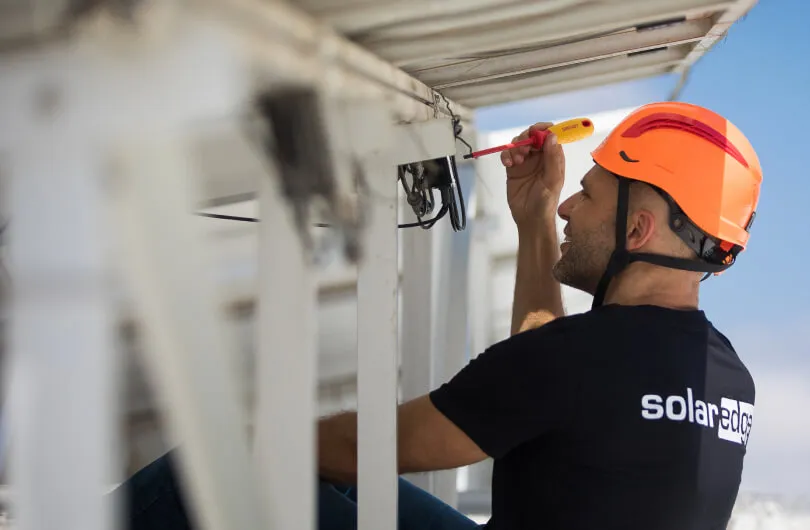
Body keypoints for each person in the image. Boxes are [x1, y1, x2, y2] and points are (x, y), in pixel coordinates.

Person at [119, 101, 762, 530]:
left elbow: (374, 449)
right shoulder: (730, 379)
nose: (568, 207)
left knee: (222, 466)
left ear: (638, 229)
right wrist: (533, 218)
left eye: (586, 196)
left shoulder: (577, 360)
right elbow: (553, 385)